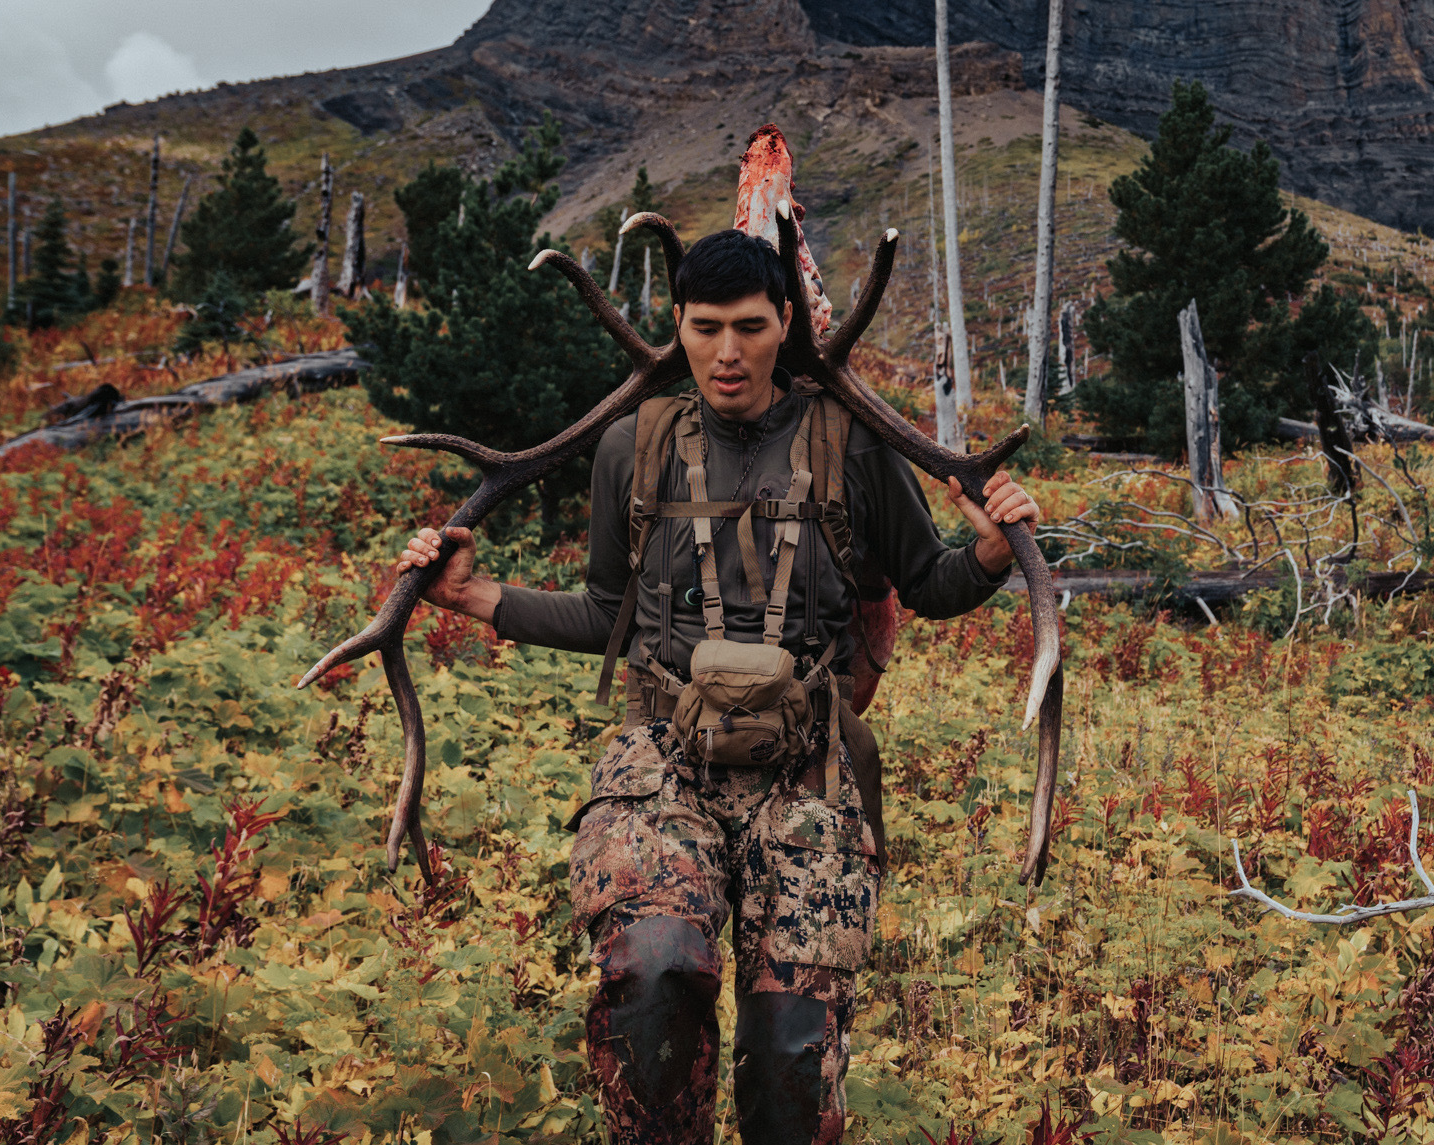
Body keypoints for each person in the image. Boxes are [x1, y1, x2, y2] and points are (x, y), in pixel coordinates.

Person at [396, 228, 1041, 1143]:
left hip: (807, 771)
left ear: (786, 321)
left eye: (748, 326)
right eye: (705, 327)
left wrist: (984, 550)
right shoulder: (633, 445)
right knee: (654, 977)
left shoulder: (855, 445)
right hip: (664, 765)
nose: (726, 352)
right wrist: (474, 594)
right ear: (679, 326)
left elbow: (928, 583)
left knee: (790, 1048)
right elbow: (604, 610)